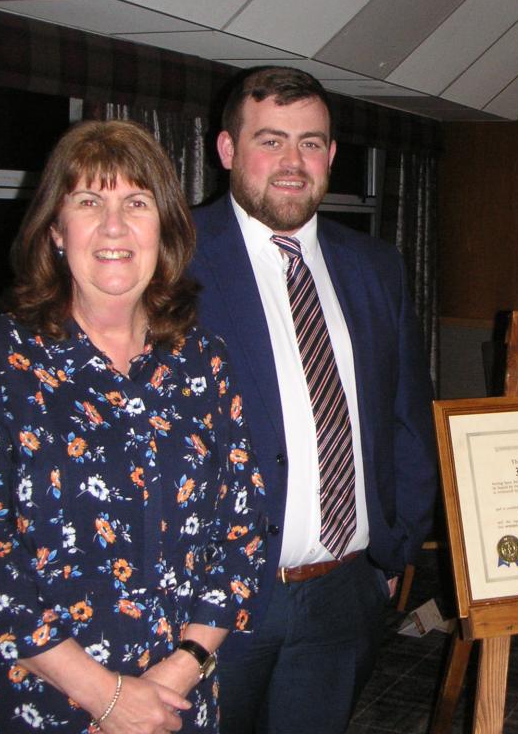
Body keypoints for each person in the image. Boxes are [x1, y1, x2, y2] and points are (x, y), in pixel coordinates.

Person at [0, 120, 267, 733]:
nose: (115, 226)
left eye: (137, 203)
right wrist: (106, 696)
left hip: (176, 703)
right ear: (55, 230)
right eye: (89, 202)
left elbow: (243, 531)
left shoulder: (202, 358)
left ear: (165, 230)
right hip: (36, 702)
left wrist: (178, 672)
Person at [189, 66, 437, 733]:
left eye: (311, 143)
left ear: (330, 154)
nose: (292, 162)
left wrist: (395, 548)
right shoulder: (173, 259)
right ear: (227, 151)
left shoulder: (374, 265)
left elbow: (407, 415)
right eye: (270, 141)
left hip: (343, 592)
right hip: (211, 605)